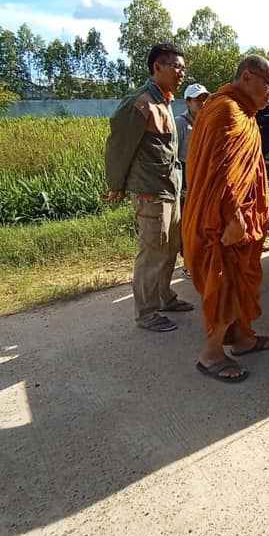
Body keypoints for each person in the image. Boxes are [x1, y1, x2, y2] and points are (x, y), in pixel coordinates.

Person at [182, 54, 269, 383]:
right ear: (248, 77)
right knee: (224, 283)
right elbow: (219, 170)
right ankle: (210, 354)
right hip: (222, 222)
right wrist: (233, 216)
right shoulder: (225, 109)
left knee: (240, 281)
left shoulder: (244, 112)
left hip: (239, 217)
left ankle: (242, 340)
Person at [103, 42, 195, 333]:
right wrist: (116, 186)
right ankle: (146, 313)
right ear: (157, 67)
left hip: (170, 189)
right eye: (176, 67)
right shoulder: (139, 103)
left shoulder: (164, 102)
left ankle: (165, 297)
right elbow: (118, 148)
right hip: (149, 192)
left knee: (169, 249)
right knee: (152, 252)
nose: (181, 73)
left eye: (183, 68)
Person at [174, 82, 211, 279]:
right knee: (189, 223)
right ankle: (189, 264)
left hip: (203, 177)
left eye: (205, 99)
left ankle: (201, 260)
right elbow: (173, 154)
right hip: (187, 178)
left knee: (203, 223)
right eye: (198, 99)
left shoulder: (206, 121)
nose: (203, 103)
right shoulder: (180, 123)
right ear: (188, 102)